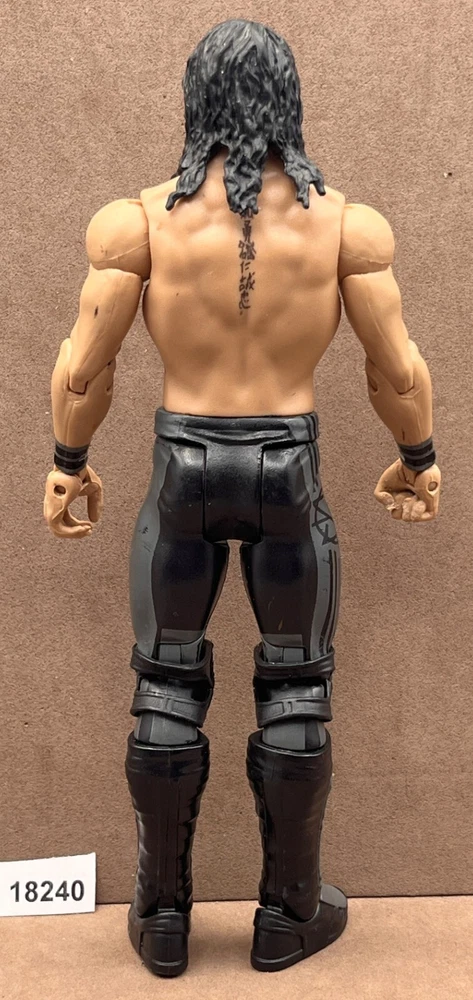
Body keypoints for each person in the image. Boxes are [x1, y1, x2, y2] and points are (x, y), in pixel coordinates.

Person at [43, 19, 441, 977]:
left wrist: (68, 459)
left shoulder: (137, 222)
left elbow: (84, 364)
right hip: (287, 467)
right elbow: (394, 368)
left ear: (195, 100)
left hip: (180, 465)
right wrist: (417, 455)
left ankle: (162, 916)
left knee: (164, 683)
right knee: (296, 685)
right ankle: (287, 916)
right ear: (288, 100)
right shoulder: (345, 226)